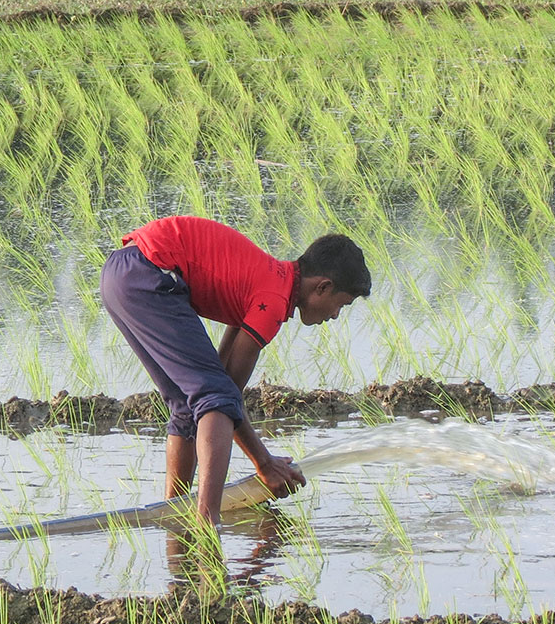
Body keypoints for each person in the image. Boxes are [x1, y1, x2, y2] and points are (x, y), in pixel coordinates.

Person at [100, 215, 371, 525]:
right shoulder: (273, 298)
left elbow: (225, 386)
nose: (335, 316)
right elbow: (225, 399)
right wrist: (265, 463)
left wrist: (254, 447)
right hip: (149, 274)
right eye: (342, 304)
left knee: (190, 402)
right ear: (323, 287)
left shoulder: (267, 279)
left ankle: (173, 513)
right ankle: (207, 519)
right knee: (213, 397)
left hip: (122, 273)